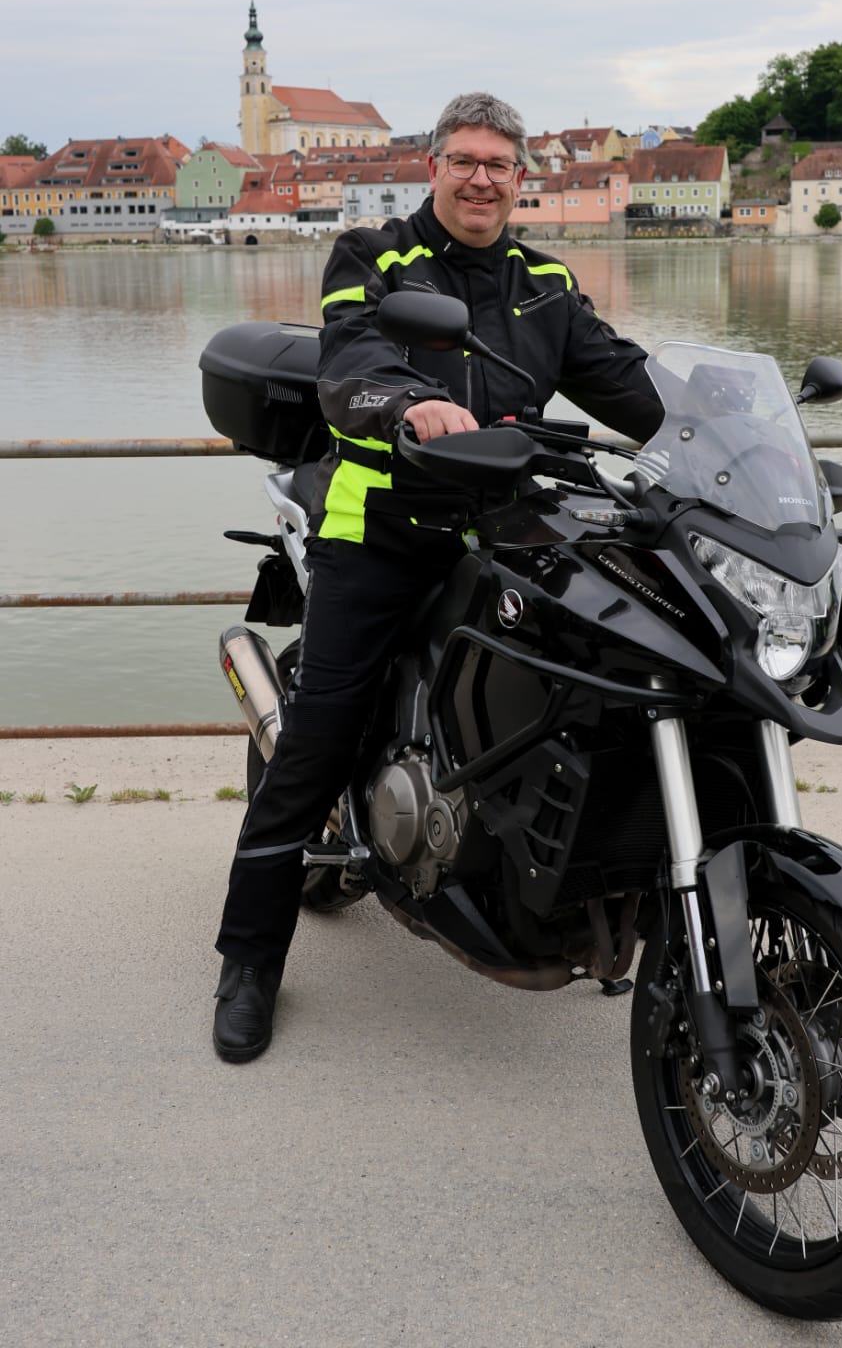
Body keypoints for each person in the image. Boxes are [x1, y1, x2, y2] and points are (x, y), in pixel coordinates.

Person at [212, 91, 662, 1061]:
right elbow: (351, 363)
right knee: (315, 746)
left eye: (499, 164)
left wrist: (732, 434)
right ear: (434, 167)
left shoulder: (544, 283)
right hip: (381, 525)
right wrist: (410, 405)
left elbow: (632, 386)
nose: (481, 179)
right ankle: (249, 960)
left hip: (508, 531)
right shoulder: (374, 257)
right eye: (464, 160)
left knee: (603, 689)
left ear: (519, 177)